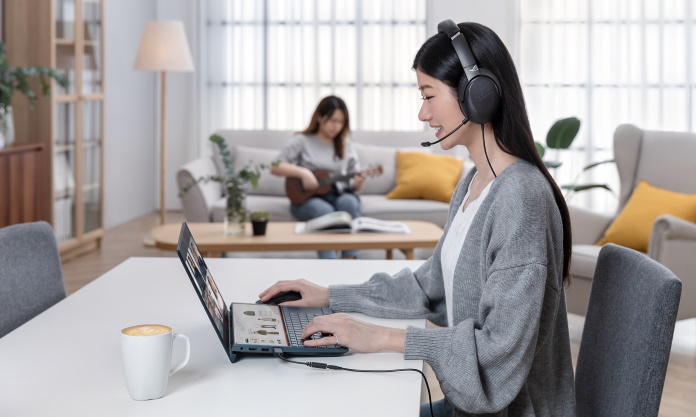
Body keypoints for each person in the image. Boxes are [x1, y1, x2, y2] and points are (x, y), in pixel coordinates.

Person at [259, 21, 576, 417]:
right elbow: (431, 288)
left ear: (477, 95)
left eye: (429, 95)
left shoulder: (521, 198)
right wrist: (328, 295)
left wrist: (381, 337)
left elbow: (498, 354)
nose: (422, 113)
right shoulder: (475, 182)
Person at [271, 95, 365, 259]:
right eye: (332, 120)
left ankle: (350, 260)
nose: (336, 126)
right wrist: (303, 172)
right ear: (320, 117)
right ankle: (329, 265)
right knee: (324, 210)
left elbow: (354, 180)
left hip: (338, 194)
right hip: (307, 199)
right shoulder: (302, 140)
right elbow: (275, 165)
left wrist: (358, 183)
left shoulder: (346, 145)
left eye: (341, 122)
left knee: (349, 202)